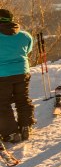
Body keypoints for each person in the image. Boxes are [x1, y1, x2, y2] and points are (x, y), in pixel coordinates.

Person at [0, 9, 35, 143]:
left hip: (2, 75)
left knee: (2, 104)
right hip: (22, 72)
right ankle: (26, 125)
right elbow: (28, 50)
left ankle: (11, 133)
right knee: (22, 98)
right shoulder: (25, 36)